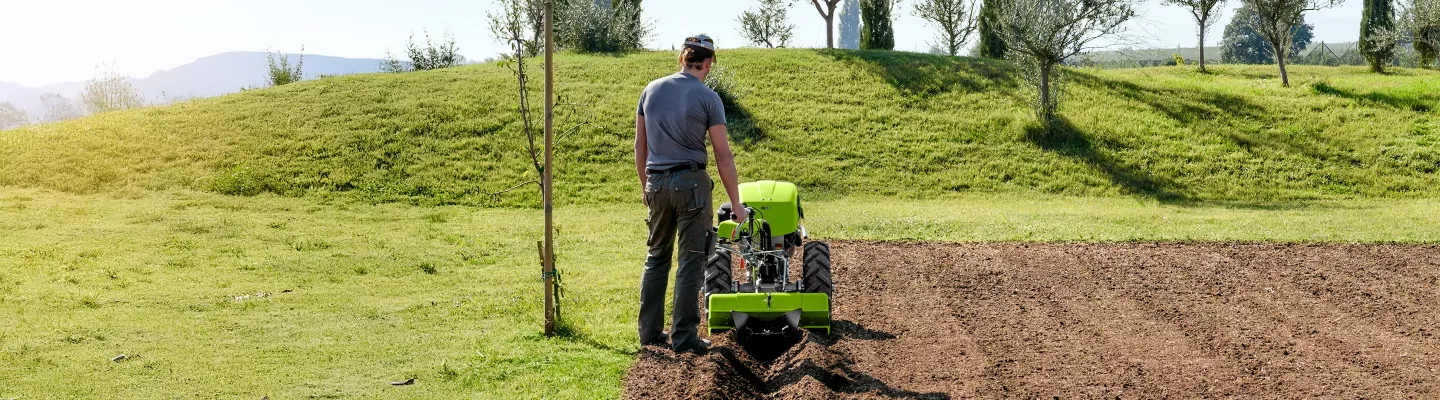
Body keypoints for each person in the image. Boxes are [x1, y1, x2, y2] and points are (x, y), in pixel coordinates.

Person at [634, 34, 748, 353]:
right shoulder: (708, 98)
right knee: (691, 261)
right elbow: (723, 155)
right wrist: (736, 204)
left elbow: (640, 147)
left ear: (682, 57)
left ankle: (649, 333)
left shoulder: (651, 90)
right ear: (708, 62)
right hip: (692, 185)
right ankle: (684, 338)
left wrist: (646, 184)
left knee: (656, 256)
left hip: (655, 182)